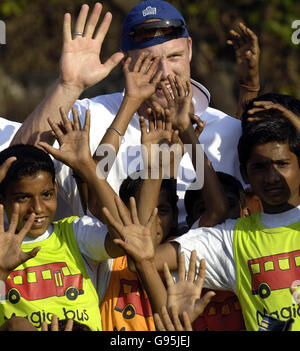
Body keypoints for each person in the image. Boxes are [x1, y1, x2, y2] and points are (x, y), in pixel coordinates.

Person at [10, 1, 253, 228]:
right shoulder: (91, 116)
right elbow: (16, 168)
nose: (164, 72)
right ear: (126, 60)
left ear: (189, 49)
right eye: (149, 61)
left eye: (174, 56)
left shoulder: (228, 131)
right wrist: (68, 85)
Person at [102, 109, 300, 331]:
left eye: (282, 164)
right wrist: (157, 165)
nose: (272, 176)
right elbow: (144, 257)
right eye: (259, 167)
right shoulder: (232, 238)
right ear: (244, 174)